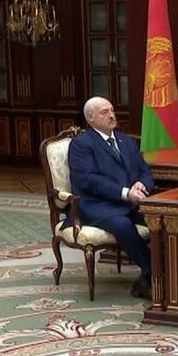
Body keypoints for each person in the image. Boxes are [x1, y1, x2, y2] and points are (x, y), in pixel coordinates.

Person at [68, 96, 155, 299]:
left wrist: (142, 184)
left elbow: (145, 171)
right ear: (90, 118)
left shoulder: (127, 141)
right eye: (104, 112)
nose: (111, 115)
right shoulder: (81, 145)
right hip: (97, 205)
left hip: (131, 203)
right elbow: (89, 180)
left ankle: (152, 277)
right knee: (122, 225)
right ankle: (154, 274)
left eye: (112, 110)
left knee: (162, 219)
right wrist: (125, 193)